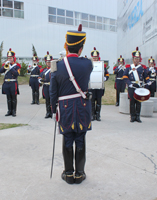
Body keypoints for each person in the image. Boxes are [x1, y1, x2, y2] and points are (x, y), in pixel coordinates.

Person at [50, 24, 93, 184]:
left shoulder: (57, 65)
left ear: (66, 46)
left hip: (65, 107)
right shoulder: (88, 64)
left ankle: (68, 174)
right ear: (81, 49)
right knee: (80, 137)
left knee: (67, 137)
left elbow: (53, 91)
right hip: (82, 106)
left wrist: (53, 108)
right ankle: (80, 174)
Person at [123, 47, 150, 123]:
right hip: (132, 86)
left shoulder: (142, 68)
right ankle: (132, 116)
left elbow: (146, 76)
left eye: (138, 58)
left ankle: (138, 116)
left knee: (139, 102)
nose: (136, 60)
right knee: (132, 102)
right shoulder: (129, 68)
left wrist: (148, 81)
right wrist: (129, 83)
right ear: (133, 59)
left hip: (139, 86)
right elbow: (124, 76)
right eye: (135, 58)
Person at [0, 48, 21, 117]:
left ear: (14, 58)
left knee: (13, 98)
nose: (9, 59)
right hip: (6, 83)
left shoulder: (17, 66)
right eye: (8, 58)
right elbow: (0, 71)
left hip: (13, 83)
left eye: (11, 58)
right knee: (8, 98)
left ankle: (14, 111)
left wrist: (10, 68)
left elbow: (17, 74)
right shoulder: (6, 64)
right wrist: (5, 65)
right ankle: (9, 111)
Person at [89, 47, 109, 121]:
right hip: (91, 86)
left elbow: (107, 74)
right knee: (92, 101)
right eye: (93, 58)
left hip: (100, 86)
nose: (95, 59)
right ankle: (92, 115)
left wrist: (105, 78)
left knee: (99, 101)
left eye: (96, 57)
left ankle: (98, 115)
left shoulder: (102, 65)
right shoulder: (89, 65)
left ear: (98, 57)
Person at [39, 51, 53, 118]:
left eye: (50, 62)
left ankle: (53, 112)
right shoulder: (43, 70)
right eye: (47, 62)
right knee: (47, 100)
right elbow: (39, 78)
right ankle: (48, 112)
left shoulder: (54, 70)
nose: (48, 63)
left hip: (52, 87)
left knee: (52, 100)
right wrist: (40, 81)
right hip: (46, 86)